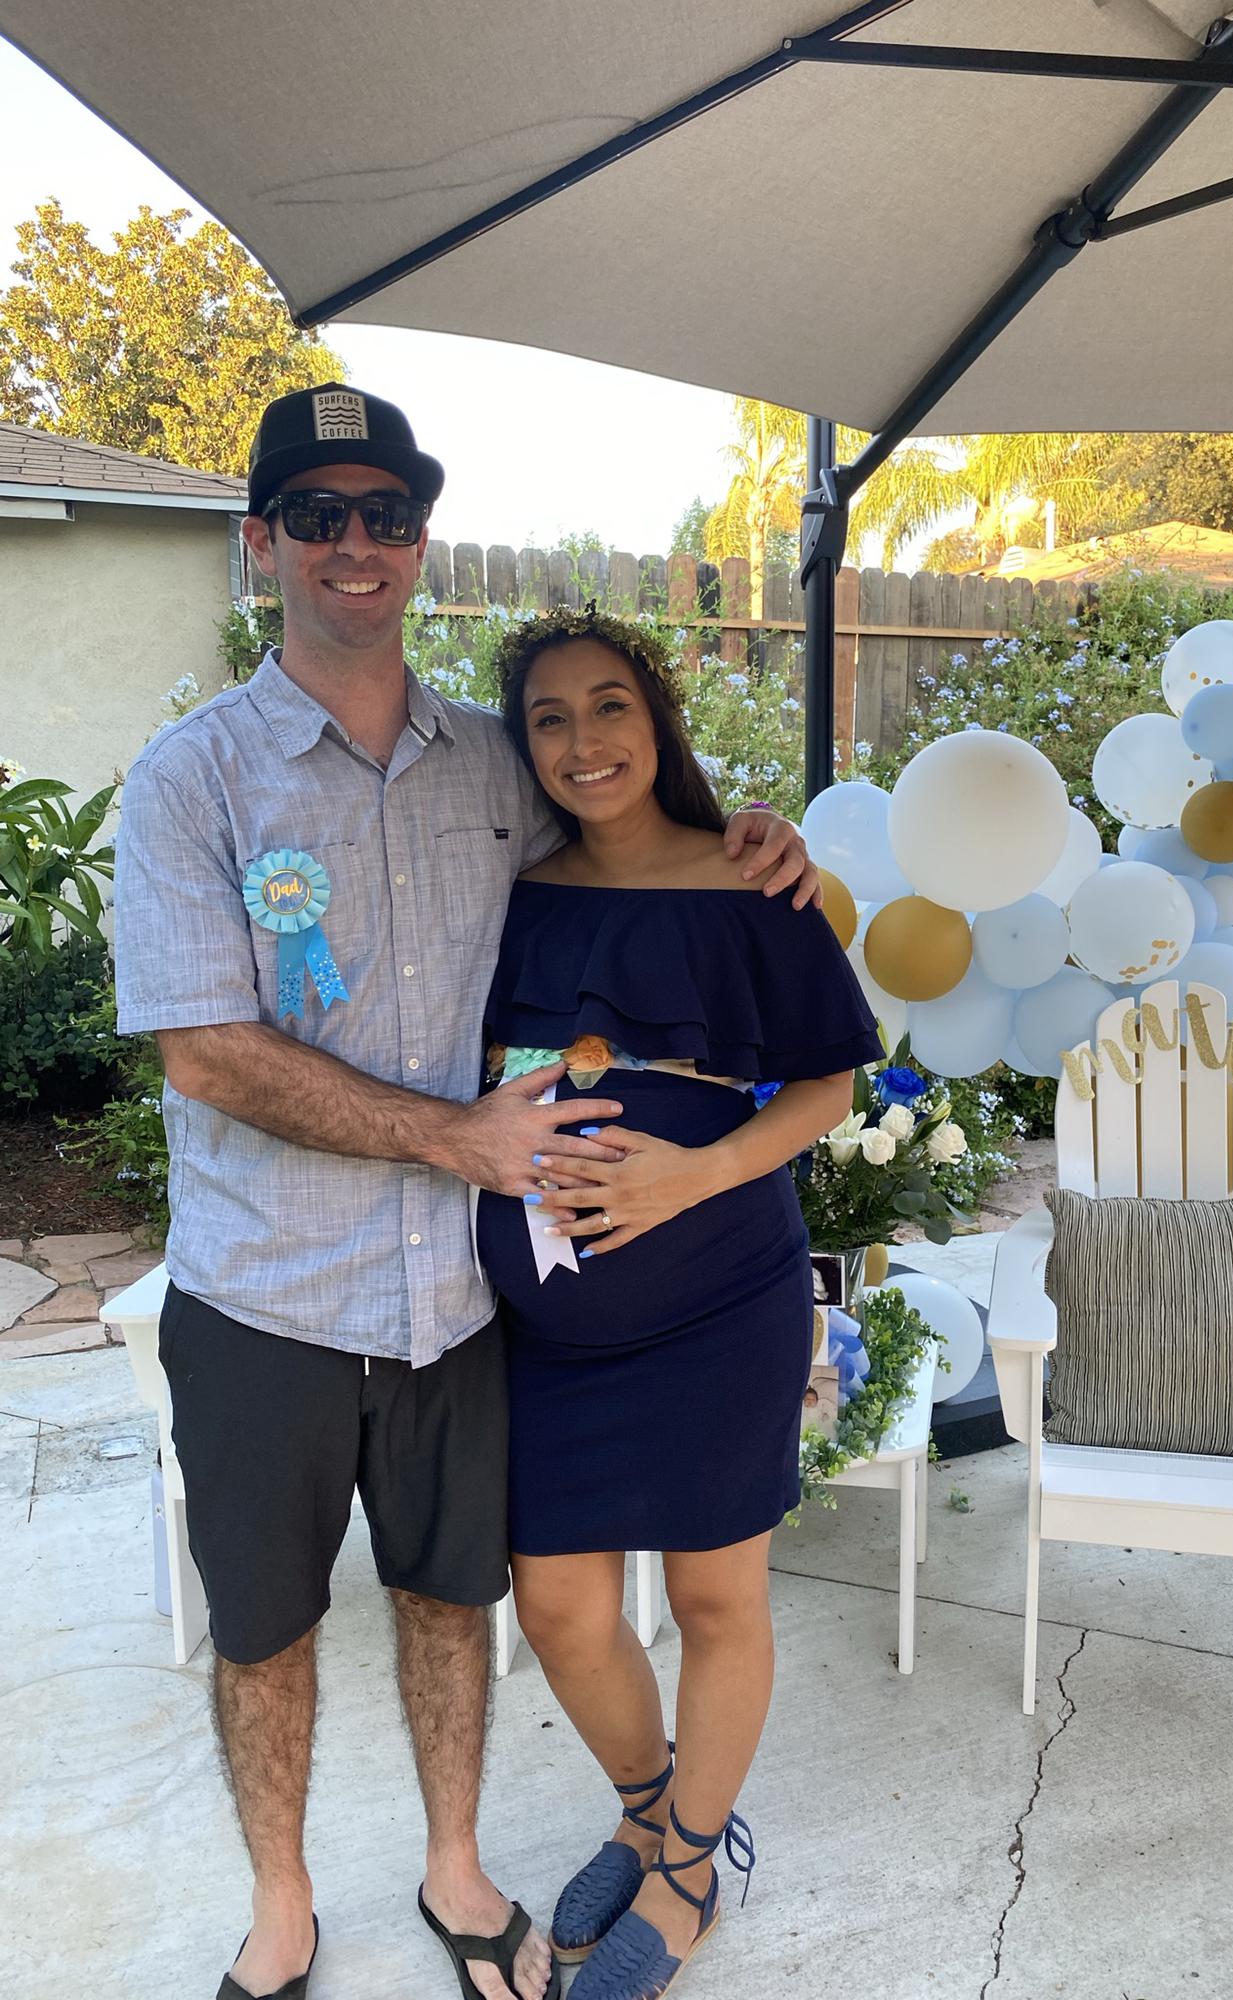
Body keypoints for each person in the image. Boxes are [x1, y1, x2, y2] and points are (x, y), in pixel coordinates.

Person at [112, 383, 818, 2000]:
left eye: (386, 513)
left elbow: (640, 836)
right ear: (264, 543)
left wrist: (765, 845)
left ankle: (458, 1867)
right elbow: (206, 1053)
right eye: (318, 514)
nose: (354, 543)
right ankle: (281, 1905)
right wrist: (457, 1140)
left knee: (450, 1605)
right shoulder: (192, 780)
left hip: (462, 1302)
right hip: (271, 1296)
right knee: (266, 1629)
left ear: (422, 541)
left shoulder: (501, 766)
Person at [474, 606, 882, 2000]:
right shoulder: (515, 895)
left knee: (715, 1594)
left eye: (609, 707)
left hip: (721, 1303)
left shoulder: (750, 883)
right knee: (559, 1609)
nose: (583, 741)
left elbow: (828, 1086)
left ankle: (694, 1866)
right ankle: (649, 1809)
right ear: (523, 747)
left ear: (655, 722)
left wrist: (688, 1176)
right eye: (548, 718)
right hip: (549, 1329)